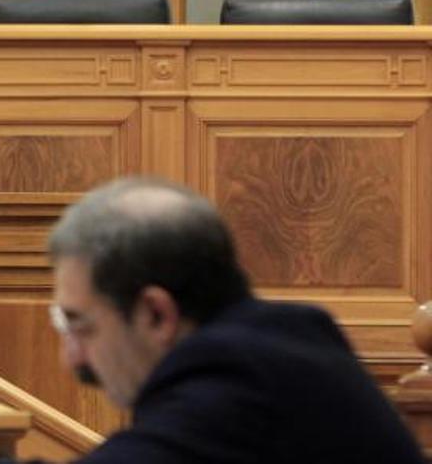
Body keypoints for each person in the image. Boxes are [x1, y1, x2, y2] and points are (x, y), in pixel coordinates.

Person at [36, 177, 423, 463]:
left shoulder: (236, 378)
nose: (73, 359)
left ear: (156, 314)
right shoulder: (286, 341)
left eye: (80, 325)